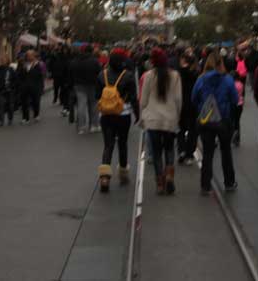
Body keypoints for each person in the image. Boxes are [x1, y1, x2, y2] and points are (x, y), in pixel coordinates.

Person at [192, 53, 239, 195]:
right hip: (223, 120)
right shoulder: (227, 79)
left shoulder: (201, 80)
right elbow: (235, 100)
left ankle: (205, 185)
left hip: (206, 120)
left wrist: (202, 106)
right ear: (221, 64)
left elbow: (193, 98)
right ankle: (229, 182)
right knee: (226, 151)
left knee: (207, 153)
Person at [140, 48, 182, 195]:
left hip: (153, 119)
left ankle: (159, 183)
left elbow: (143, 99)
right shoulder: (175, 76)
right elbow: (178, 99)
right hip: (169, 118)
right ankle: (170, 175)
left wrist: (141, 115)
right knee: (170, 149)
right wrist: (178, 114)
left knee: (157, 153)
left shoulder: (148, 76)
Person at [97, 48, 139, 193]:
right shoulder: (128, 75)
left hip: (106, 115)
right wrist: (138, 114)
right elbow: (133, 97)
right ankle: (123, 174)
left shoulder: (102, 75)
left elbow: (98, 95)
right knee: (122, 143)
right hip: (123, 113)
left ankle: (104, 177)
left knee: (108, 145)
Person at [70, 46, 102, 134]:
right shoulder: (95, 61)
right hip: (92, 85)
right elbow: (100, 73)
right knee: (94, 105)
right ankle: (94, 125)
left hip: (79, 85)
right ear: (91, 51)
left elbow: (71, 72)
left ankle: (81, 127)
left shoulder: (75, 61)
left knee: (81, 105)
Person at [177, 50, 200, 164]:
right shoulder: (196, 74)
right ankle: (189, 154)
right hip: (193, 104)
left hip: (180, 104)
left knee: (180, 129)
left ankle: (181, 150)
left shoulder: (177, 73)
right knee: (193, 130)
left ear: (184, 61)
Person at [17, 49, 44, 124]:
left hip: (35, 87)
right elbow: (19, 75)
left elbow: (40, 77)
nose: (29, 57)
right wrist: (20, 84)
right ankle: (25, 118)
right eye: (28, 55)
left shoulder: (38, 65)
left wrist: (41, 87)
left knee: (35, 101)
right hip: (25, 87)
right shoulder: (23, 64)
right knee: (24, 103)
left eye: (31, 55)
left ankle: (36, 114)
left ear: (34, 56)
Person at [0, 53, 17, 126]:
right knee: (1, 106)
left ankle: (10, 118)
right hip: (0, 91)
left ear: (8, 60)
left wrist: (13, 87)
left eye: (4, 59)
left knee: (10, 106)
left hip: (10, 91)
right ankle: (0, 121)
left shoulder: (11, 70)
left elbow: (15, 80)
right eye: (1, 59)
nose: (2, 60)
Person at [232, 70, 245, 147]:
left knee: (232, 121)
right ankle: (237, 138)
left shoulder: (232, 85)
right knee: (237, 121)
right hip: (240, 104)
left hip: (233, 104)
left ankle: (232, 136)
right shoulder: (241, 84)